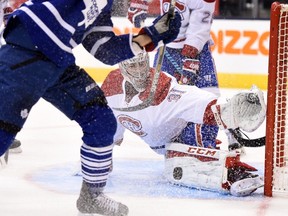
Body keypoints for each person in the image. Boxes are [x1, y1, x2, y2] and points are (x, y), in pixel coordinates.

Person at [0, 1, 181, 215]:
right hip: (25, 53)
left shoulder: (104, 6)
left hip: (58, 62)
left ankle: (91, 197)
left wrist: (151, 36)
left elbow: (105, 49)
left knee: (101, 120)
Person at [101, 52, 266, 196]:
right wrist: (105, 153)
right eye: (133, 66)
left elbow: (196, 101)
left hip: (188, 129)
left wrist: (227, 110)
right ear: (122, 67)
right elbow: (109, 121)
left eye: (141, 64)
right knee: (176, 167)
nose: (139, 71)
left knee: (187, 165)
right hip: (165, 144)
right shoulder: (111, 86)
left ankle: (232, 173)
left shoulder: (163, 88)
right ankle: (209, 163)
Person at [127, 0, 245, 153]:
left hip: (196, 50)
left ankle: (231, 132)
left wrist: (192, 50)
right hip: (167, 47)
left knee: (209, 96)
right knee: (163, 98)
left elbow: (203, 14)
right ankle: (177, 140)